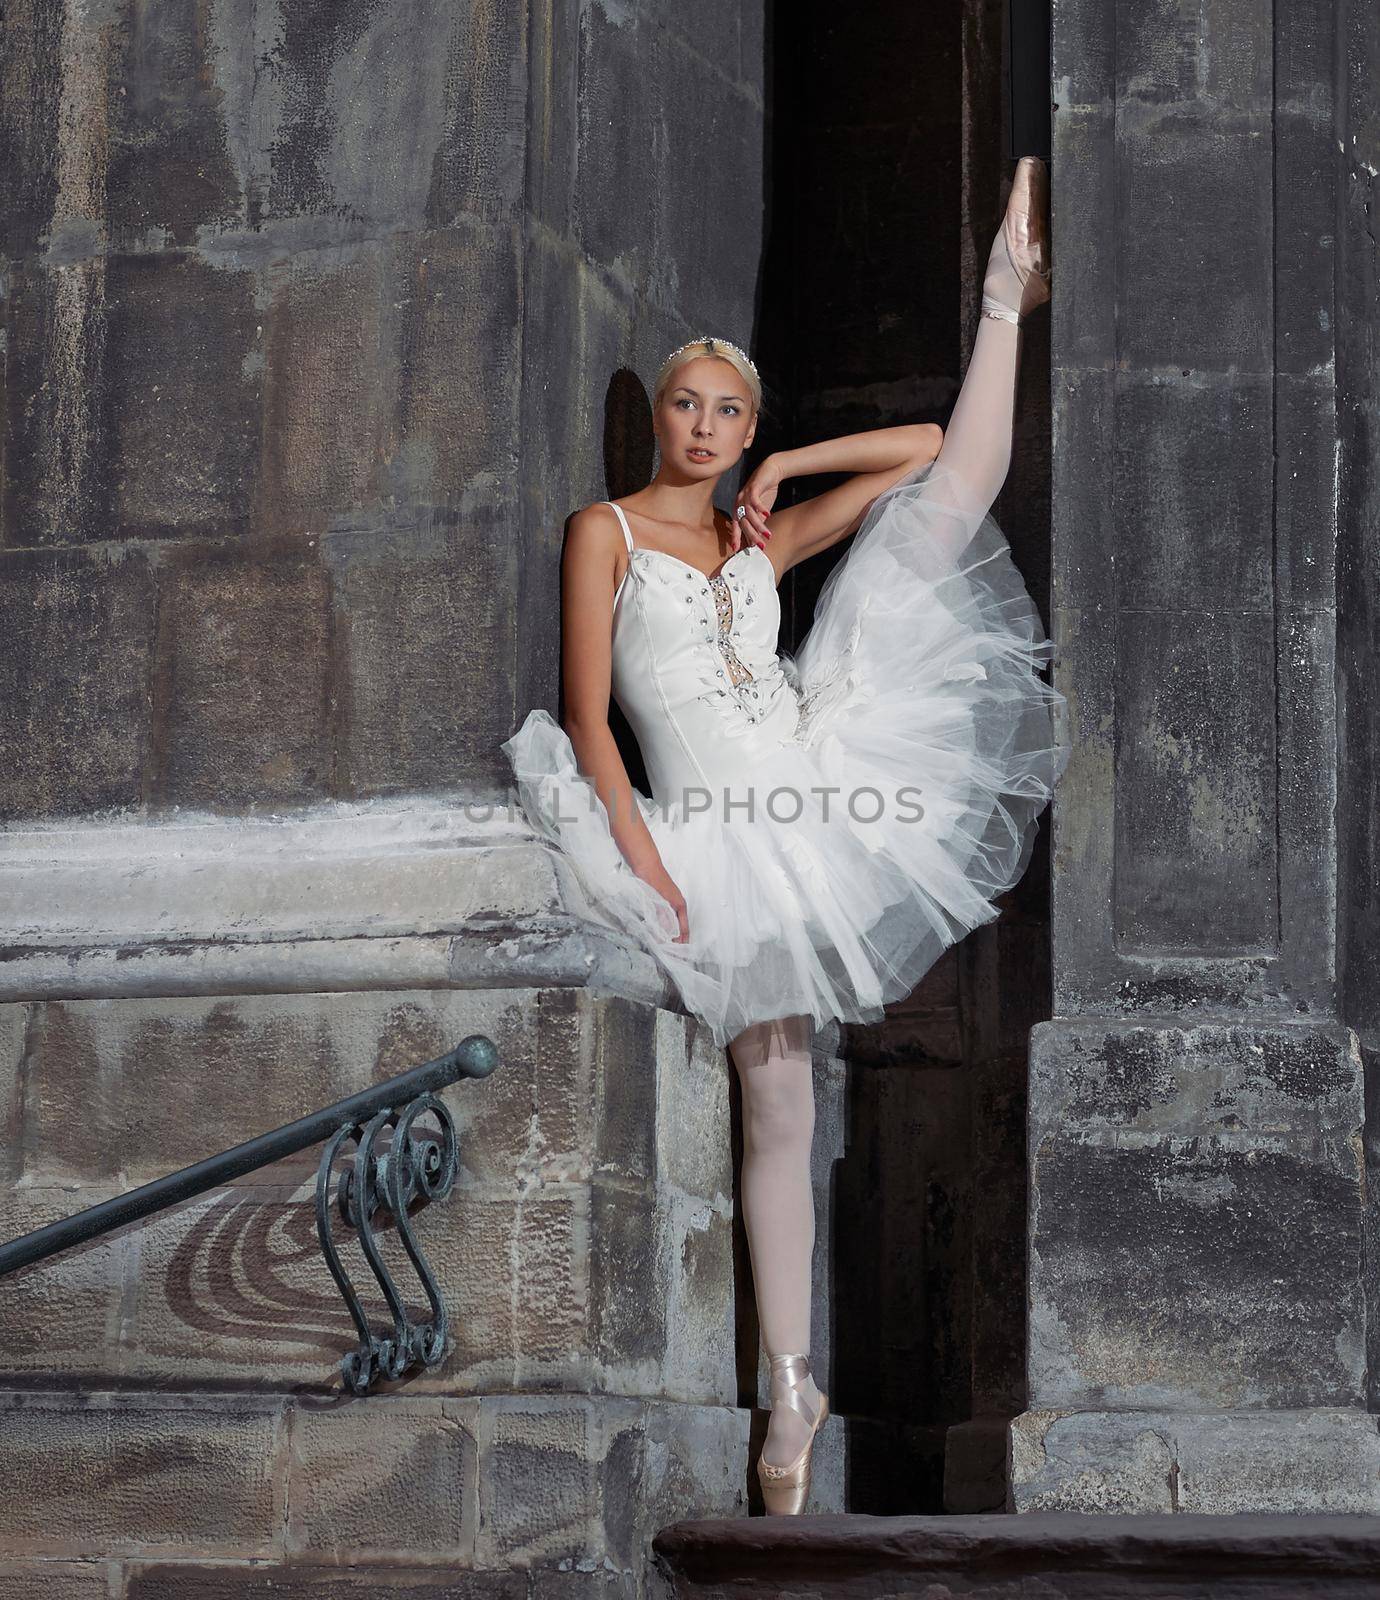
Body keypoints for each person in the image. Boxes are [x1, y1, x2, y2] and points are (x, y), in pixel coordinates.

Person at [501, 156, 1066, 1515]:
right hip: (706, 828)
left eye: (727, 412)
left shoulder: (760, 543)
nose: (703, 426)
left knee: (932, 525)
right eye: (688, 406)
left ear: (746, 429)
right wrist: (644, 867)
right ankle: (790, 1385)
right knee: (780, 1092)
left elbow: (931, 457)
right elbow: (591, 723)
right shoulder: (608, 535)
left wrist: (795, 466)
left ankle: (1006, 300)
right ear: (659, 424)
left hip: (812, 772)